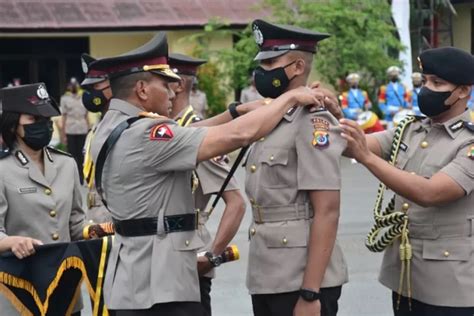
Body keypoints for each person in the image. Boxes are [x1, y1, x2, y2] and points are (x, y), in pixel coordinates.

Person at [88, 32, 326, 316]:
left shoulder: (109, 128)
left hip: (129, 281)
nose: (174, 91)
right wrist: (289, 99)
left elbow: (185, 135)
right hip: (161, 288)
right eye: (166, 84)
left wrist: (234, 111)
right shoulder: (148, 134)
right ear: (141, 89)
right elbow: (241, 135)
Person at [340, 46, 474, 316]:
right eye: (424, 81)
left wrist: (366, 158)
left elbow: (431, 193)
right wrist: (331, 117)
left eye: (437, 83)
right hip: (405, 276)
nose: (426, 89)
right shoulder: (410, 129)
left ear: (463, 91)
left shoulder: (469, 141)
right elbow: (351, 145)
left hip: (451, 285)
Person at [245, 19, 348, 316]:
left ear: (298, 67)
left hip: (301, 278)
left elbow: (327, 210)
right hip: (268, 274)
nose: (261, 73)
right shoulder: (272, 117)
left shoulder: (313, 122)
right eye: (261, 64)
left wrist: (310, 291)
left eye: (271, 63)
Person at [168, 52, 246, 316]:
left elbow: (236, 203)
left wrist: (212, 256)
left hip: (190, 261)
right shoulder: (166, 130)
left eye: (159, 78)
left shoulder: (200, 136)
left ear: (177, 85)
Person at [0, 83, 87, 316]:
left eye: (47, 119)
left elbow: (77, 222)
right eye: (33, 119)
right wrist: (11, 242)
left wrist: (99, 230)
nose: (44, 125)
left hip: (65, 288)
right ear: (13, 125)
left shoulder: (67, 164)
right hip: (20, 289)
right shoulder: (2, 169)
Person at [80, 53, 114, 223]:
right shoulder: (97, 127)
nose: (89, 93)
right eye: (88, 88)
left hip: (112, 214)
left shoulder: (121, 128)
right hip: (93, 214)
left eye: (96, 85)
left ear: (112, 86)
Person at [60, 77, 90, 184]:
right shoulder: (64, 98)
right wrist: (62, 133)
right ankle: (74, 177)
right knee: (72, 155)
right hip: (70, 129)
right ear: (69, 86)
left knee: (82, 155)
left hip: (82, 129)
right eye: (71, 85)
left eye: (75, 85)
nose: (73, 87)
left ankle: (82, 177)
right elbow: (64, 117)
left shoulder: (83, 97)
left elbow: (86, 115)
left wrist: (89, 129)